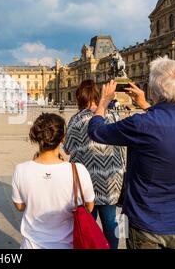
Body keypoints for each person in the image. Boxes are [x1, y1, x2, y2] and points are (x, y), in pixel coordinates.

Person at [88, 56, 175, 249]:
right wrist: (146, 104)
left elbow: (96, 131)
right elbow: (166, 123)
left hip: (144, 224)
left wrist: (103, 103)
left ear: (153, 90)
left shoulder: (141, 124)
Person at [12, 113, 95, 249]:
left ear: (36, 137)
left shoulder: (21, 170)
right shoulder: (78, 170)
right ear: (62, 138)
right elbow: (89, 207)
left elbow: (20, 206)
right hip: (66, 244)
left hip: (31, 244)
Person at [63, 80, 126, 249]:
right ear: (98, 96)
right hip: (111, 179)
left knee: (87, 225)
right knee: (111, 222)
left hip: (85, 180)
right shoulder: (113, 116)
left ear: (80, 98)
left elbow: (68, 149)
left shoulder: (76, 120)